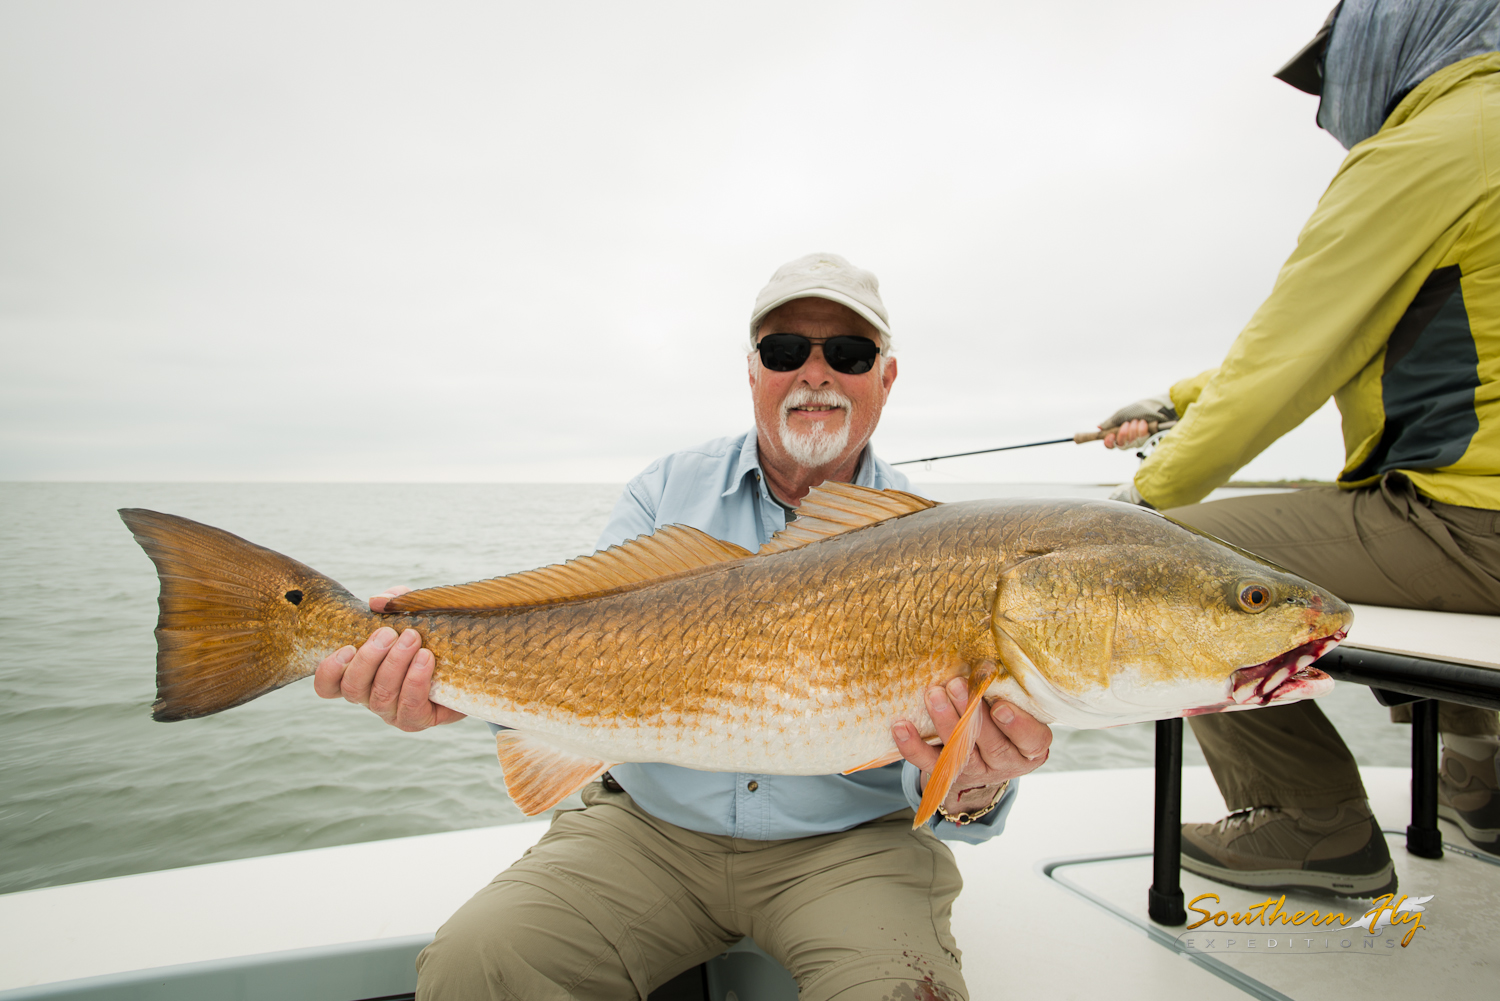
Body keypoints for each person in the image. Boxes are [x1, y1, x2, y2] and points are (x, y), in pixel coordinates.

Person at [314, 252, 1054, 1000]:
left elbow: (958, 794)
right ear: (753, 369)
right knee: (477, 963)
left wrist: (973, 788)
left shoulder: (944, 545)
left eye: (850, 353)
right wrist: (440, 678)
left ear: (885, 378)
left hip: (850, 849)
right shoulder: (664, 491)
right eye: (786, 349)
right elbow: (573, 654)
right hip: (648, 833)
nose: (816, 373)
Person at [1100, 0, 1500, 896]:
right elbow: (1326, 338)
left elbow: (1288, 362)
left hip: (1476, 524)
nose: (1326, 103)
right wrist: (1169, 401)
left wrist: (1137, 510)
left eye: (1328, 72)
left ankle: (1311, 822)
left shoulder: (1427, 150)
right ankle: (1483, 783)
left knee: (1179, 564)